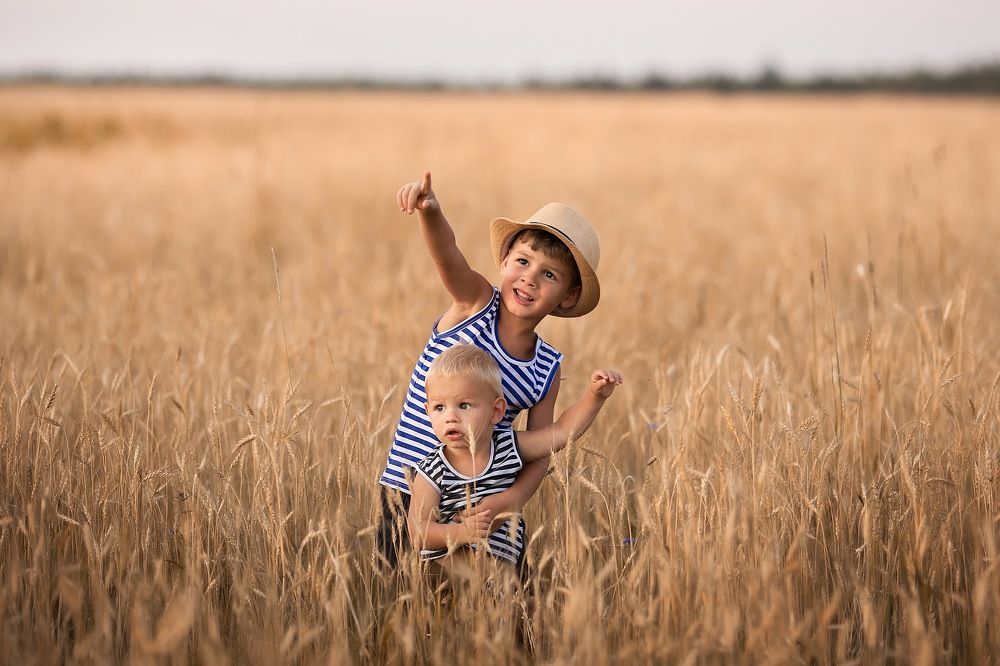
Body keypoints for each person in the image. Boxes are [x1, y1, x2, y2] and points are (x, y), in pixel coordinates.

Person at [377, 171, 603, 571]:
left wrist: (510, 501)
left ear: (567, 295)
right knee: (403, 598)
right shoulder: (475, 304)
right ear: (503, 261)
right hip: (410, 488)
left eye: (548, 274)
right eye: (522, 261)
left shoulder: (545, 367)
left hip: (482, 503)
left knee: (508, 605)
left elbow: (541, 448)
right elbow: (447, 256)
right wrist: (430, 212)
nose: (529, 278)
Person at [406, 344, 622, 570]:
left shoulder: (507, 447)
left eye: (464, 405)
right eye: (439, 407)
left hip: (502, 572)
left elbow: (560, 433)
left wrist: (595, 397)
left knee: (512, 588)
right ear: (427, 410)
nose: (450, 416)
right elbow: (418, 531)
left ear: (496, 411)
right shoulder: (432, 469)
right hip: (448, 569)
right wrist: (461, 533)